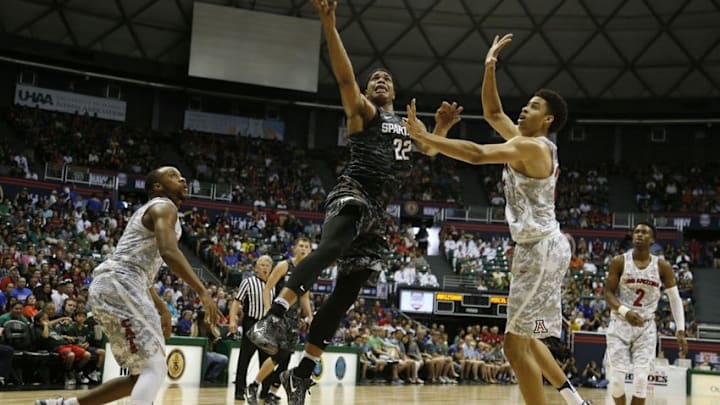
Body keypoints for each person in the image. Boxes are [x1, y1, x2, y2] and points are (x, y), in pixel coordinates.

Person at [247, 1, 461, 404]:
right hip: (353, 192)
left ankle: (303, 372)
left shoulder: (407, 125)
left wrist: (439, 131)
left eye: (386, 78)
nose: (379, 80)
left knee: (345, 295)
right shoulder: (363, 112)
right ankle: (275, 318)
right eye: (374, 78)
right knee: (331, 247)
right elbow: (345, 79)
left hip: (378, 217)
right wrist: (329, 25)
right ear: (366, 92)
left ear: (395, 92)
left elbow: (429, 152)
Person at [403, 33, 590, 405]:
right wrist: (489, 66)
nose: (524, 109)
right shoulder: (526, 140)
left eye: (533, 107)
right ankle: (574, 400)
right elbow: (492, 113)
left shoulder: (530, 145)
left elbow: (475, 154)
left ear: (547, 119)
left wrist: (429, 138)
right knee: (528, 338)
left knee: (512, 346)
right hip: (545, 246)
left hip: (539, 249)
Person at [37, 166, 221, 405]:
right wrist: (202, 290)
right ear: (158, 187)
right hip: (120, 283)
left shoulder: (159, 212)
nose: (183, 178)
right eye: (174, 176)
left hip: (119, 284)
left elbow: (140, 269)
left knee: (140, 376)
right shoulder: (164, 206)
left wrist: (161, 306)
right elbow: (168, 251)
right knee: (155, 369)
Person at [605, 222, 688, 405]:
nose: (639, 235)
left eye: (644, 232)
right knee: (617, 382)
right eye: (636, 232)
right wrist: (625, 312)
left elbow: (675, 299)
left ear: (652, 240)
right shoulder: (619, 261)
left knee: (641, 381)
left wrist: (680, 330)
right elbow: (608, 294)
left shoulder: (662, 266)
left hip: (646, 327)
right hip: (620, 324)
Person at [246, 237, 313, 405]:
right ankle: (254, 386)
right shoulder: (284, 265)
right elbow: (268, 287)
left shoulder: (308, 271)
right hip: (279, 314)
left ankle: (267, 391)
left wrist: (310, 316)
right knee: (279, 354)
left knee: (285, 357)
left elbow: (304, 297)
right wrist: (269, 309)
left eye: (307, 246)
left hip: (293, 318)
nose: (303, 249)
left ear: (310, 250)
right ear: (294, 249)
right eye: (301, 246)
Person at [229, 255, 273, 401]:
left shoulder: (274, 285)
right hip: (251, 322)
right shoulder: (248, 282)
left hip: (266, 325)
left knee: (266, 359)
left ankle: (264, 392)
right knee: (245, 358)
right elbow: (236, 302)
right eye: (262, 265)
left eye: (267, 265)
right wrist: (232, 320)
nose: (265, 267)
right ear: (256, 267)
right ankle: (239, 390)